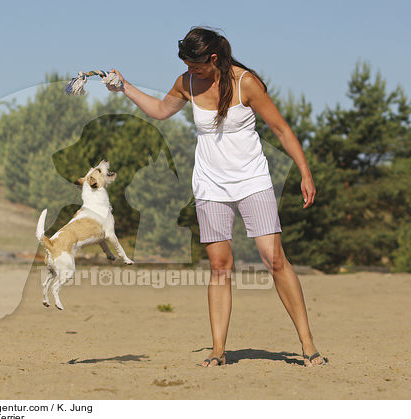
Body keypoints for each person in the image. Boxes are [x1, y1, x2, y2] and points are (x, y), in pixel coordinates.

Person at [106, 26, 326, 367]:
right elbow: (161, 111)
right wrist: (125, 87)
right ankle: (218, 351)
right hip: (210, 186)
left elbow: (282, 129)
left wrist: (305, 172)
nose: (190, 72)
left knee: (275, 260)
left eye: (196, 66)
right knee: (220, 267)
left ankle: (308, 345)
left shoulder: (246, 83)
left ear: (213, 58)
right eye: (186, 66)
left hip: (253, 181)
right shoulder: (187, 82)